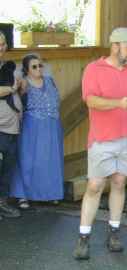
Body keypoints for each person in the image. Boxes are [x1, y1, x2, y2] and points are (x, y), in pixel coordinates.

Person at [73, 27, 127, 260]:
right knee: (94, 186)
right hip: (102, 139)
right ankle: (84, 237)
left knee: (119, 183)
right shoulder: (94, 69)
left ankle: (114, 232)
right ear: (115, 46)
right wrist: (118, 103)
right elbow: (91, 100)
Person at [10, 54, 64, 209]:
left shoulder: (49, 81)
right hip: (32, 126)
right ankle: (23, 195)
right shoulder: (24, 83)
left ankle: (51, 194)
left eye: (40, 65)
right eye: (34, 66)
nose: (39, 69)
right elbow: (17, 103)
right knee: (27, 160)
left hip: (52, 125)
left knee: (52, 159)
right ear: (26, 69)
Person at [0, 31, 22, 221]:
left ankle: (2, 203)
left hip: (11, 126)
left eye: (3, 43)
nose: (2, 47)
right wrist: (11, 88)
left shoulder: (9, 66)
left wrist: (20, 88)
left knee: (7, 167)